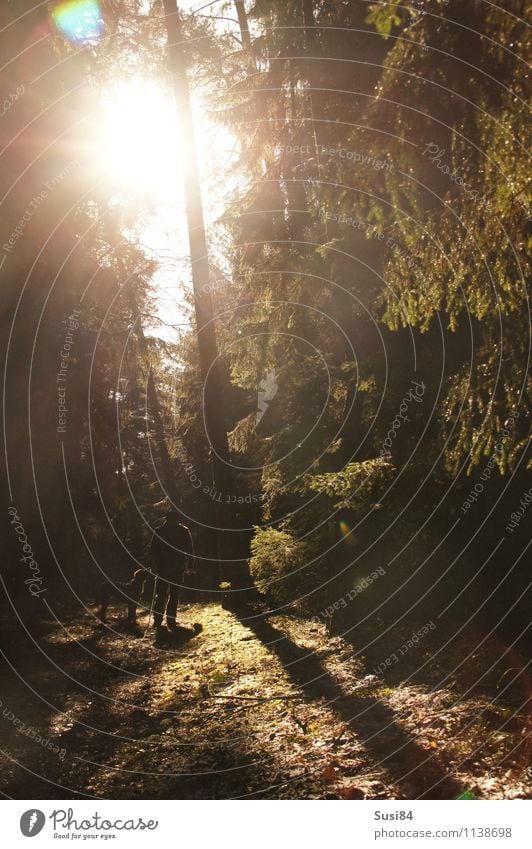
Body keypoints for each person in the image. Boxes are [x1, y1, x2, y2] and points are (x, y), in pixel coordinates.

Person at [150, 510, 194, 639]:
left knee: (161, 594)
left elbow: (153, 549)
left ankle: (158, 620)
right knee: (174, 595)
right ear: (177, 519)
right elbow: (189, 549)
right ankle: (170, 620)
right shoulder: (183, 530)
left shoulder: (159, 530)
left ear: (166, 518)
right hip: (177, 567)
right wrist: (190, 566)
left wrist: (155, 565)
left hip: (163, 567)